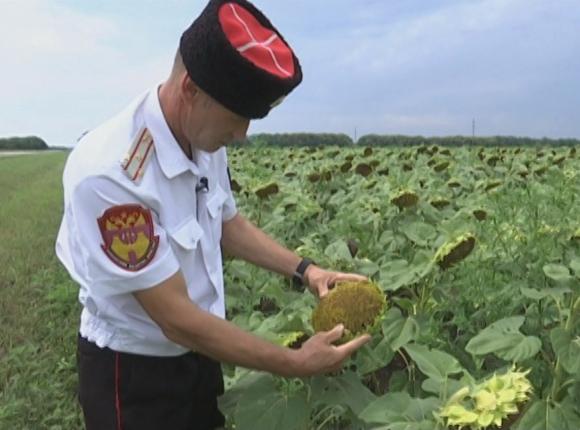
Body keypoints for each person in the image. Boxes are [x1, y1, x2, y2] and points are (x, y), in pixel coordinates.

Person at [55, 0, 371, 428]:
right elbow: (175, 319)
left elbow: (226, 222)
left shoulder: (203, 137)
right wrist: (294, 362)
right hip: (134, 372)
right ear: (191, 90)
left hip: (203, 351)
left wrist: (307, 271)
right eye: (237, 118)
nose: (242, 135)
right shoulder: (112, 173)